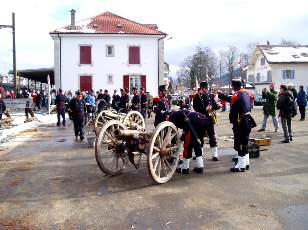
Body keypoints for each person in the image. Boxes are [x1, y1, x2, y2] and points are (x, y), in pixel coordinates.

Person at [218, 79, 256, 172]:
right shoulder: (246, 93)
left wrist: (232, 120)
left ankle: (241, 166)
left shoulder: (237, 95)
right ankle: (246, 163)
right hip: (247, 119)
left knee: (240, 143)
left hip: (240, 122)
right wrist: (222, 96)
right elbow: (234, 100)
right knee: (245, 142)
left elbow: (233, 111)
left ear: (234, 86)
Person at [169, 109, 210, 174]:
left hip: (192, 121)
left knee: (187, 146)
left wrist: (180, 140)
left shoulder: (172, 117)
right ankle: (200, 166)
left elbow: (179, 128)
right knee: (197, 145)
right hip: (203, 121)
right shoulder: (182, 112)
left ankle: (185, 168)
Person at [193, 82, 220, 161]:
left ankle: (215, 155)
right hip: (200, 119)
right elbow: (196, 108)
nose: (207, 90)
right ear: (202, 88)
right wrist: (205, 109)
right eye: (206, 88)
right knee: (200, 137)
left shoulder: (210, 95)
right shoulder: (196, 97)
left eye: (207, 88)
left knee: (212, 136)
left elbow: (213, 105)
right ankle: (200, 154)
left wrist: (217, 106)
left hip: (210, 119)